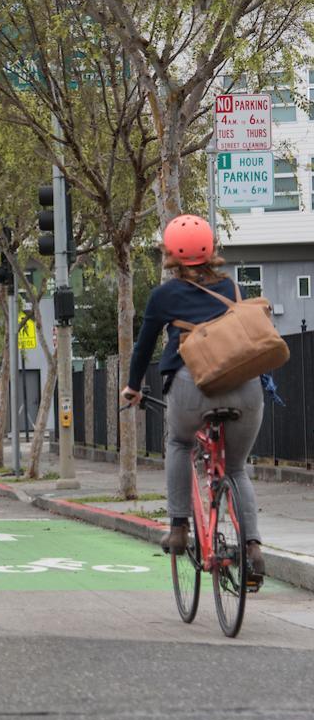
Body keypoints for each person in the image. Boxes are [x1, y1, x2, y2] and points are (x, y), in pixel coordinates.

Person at [120, 214, 265, 576]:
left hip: (192, 385)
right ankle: (254, 549)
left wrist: (133, 387)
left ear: (170, 253)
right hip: (246, 387)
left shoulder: (163, 295)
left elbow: (143, 348)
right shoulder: (231, 288)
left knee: (180, 445)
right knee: (236, 468)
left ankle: (180, 527)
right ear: (211, 248)